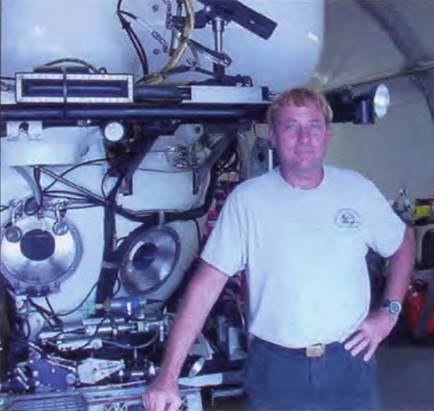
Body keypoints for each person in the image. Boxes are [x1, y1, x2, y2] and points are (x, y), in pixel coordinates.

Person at [142, 87, 415, 411]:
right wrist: (167, 377)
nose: (304, 138)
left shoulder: (356, 190)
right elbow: (204, 289)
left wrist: (390, 312)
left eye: (314, 126)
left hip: (349, 361)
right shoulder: (248, 200)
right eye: (290, 126)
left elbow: (402, 244)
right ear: (271, 135)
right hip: (276, 369)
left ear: (327, 133)